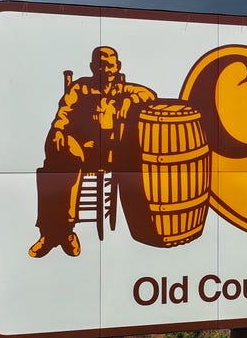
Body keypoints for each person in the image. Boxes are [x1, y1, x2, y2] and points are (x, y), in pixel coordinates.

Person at [29, 46, 156, 257]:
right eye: (100, 65)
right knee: (55, 164)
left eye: (109, 65)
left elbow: (150, 95)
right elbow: (63, 114)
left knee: (60, 165)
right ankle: (57, 233)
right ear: (92, 67)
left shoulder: (125, 90)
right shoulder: (80, 88)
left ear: (117, 67)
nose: (105, 70)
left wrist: (129, 101)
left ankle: (57, 233)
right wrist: (59, 131)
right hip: (81, 151)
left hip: (111, 154)